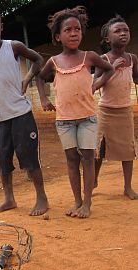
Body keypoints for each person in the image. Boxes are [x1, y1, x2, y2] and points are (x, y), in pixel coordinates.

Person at [36, 6, 114, 218]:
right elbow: (40, 77)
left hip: (87, 118)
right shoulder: (53, 62)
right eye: (68, 30)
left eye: (77, 29)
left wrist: (96, 84)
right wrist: (44, 98)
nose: (73, 33)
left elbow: (110, 69)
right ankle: (77, 201)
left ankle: (87, 203)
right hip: (64, 121)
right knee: (72, 159)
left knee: (88, 158)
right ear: (58, 36)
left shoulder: (89, 56)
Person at [0, 8, 49, 216]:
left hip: (21, 114)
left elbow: (38, 60)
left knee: (29, 157)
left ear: (1, 26)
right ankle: (9, 199)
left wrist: (26, 79)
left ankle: (41, 197)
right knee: (2, 160)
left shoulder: (13, 46)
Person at [94, 15, 138, 199]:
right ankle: (93, 180)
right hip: (105, 111)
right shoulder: (102, 58)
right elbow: (95, 84)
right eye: (117, 31)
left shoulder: (132, 58)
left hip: (125, 110)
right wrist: (111, 68)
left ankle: (127, 187)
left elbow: (135, 78)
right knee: (99, 150)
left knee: (128, 150)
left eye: (125, 30)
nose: (122, 34)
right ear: (107, 39)